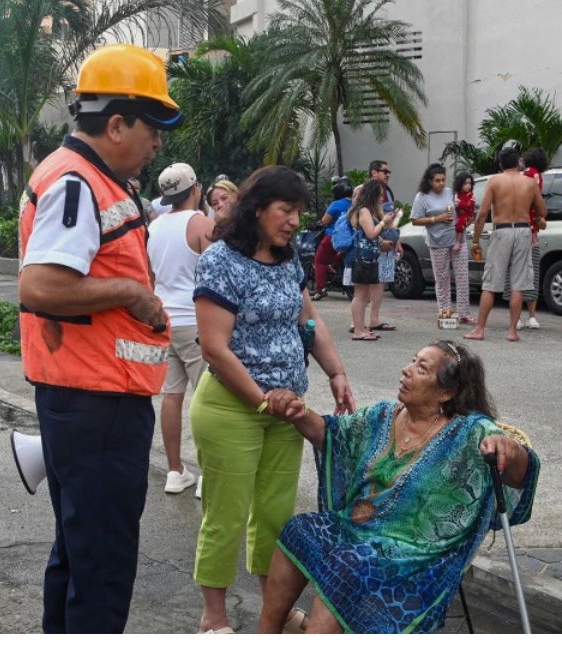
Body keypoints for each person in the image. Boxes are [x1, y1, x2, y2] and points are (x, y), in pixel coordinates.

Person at [16, 43, 181, 633]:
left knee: (79, 554)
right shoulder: (76, 182)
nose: (158, 143)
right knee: (103, 565)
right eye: (153, 128)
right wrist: (132, 296)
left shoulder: (88, 178)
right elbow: (40, 286)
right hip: (97, 403)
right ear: (116, 124)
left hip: (88, 398)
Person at [257, 341, 536, 634]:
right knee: (299, 530)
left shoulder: (470, 431)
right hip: (357, 528)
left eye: (421, 368)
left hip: (416, 550)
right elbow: (332, 434)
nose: (406, 370)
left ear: (447, 392)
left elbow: (520, 473)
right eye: (412, 360)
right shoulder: (383, 416)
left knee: (347, 565)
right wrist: (299, 412)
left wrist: (510, 449)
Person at [190, 165, 354, 634]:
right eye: (286, 210)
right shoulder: (221, 259)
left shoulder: (287, 258)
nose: (293, 222)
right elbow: (214, 348)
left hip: (287, 411)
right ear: (257, 208)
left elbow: (308, 319)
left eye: (299, 213)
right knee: (226, 513)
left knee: (276, 517)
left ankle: (273, 611)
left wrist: (336, 372)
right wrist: (264, 400)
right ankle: (213, 617)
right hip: (231, 407)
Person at [147, 162, 212, 496]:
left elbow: (150, 276)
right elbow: (217, 273)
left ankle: (175, 471)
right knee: (208, 400)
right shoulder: (200, 223)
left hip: (164, 321)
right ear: (195, 188)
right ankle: (208, 474)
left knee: (171, 397)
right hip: (195, 321)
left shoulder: (154, 227)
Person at [464, 147, 546, 342]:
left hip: (501, 230)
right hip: (523, 230)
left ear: (500, 164)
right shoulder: (529, 183)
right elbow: (542, 210)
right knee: (518, 284)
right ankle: (512, 331)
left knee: (491, 283)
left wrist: (475, 240)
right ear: (518, 163)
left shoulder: (494, 181)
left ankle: (480, 329)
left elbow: (482, 214)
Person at [412, 164, 471, 322]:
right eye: (437, 180)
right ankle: (445, 312)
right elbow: (415, 220)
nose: (441, 183)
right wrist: (437, 219)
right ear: (430, 181)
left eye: (443, 180)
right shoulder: (422, 197)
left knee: (462, 277)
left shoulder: (450, 193)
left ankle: (464, 313)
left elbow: (458, 212)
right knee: (442, 279)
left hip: (458, 239)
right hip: (437, 242)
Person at [353, 161, 399, 332]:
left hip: (376, 250)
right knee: (361, 293)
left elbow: (379, 228)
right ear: (373, 172)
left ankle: (370, 322)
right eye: (384, 171)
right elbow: (369, 231)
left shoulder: (378, 202)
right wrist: (383, 223)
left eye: (389, 171)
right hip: (364, 254)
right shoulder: (362, 205)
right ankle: (358, 326)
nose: (387, 174)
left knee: (377, 284)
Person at [518, 148, 550, 329]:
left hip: (523, 228)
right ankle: (531, 316)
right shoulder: (537, 175)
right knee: (532, 274)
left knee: (518, 275)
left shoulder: (528, 174)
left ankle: (519, 317)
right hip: (532, 231)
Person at [311, 178, 351, 300]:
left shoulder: (336, 205)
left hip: (333, 237)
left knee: (319, 261)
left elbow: (324, 221)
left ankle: (320, 290)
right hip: (350, 238)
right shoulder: (355, 204)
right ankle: (333, 265)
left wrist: (318, 223)